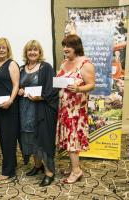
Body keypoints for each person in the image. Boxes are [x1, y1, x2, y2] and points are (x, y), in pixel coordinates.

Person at [18, 40, 58, 186]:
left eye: (35, 50)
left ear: (40, 52)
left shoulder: (46, 67)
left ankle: (49, 172)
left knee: (44, 140)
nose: (32, 52)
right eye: (30, 50)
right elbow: (18, 86)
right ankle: (37, 165)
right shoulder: (22, 69)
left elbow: (53, 88)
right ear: (26, 53)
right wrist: (20, 90)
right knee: (31, 138)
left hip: (41, 109)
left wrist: (40, 97)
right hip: (24, 110)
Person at [56, 34, 95, 184]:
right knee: (68, 139)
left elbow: (91, 85)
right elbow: (60, 81)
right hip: (64, 109)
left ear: (76, 47)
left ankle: (76, 171)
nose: (65, 49)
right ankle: (73, 166)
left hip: (76, 111)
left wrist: (78, 88)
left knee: (73, 139)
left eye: (68, 46)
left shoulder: (85, 64)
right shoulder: (64, 63)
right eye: (64, 46)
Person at [0, 38, 20, 180]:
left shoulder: (12, 64)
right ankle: (11, 164)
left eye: (4, 48)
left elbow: (16, 85)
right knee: (2, 139)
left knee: (9, 139)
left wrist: (10, 101)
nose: (1, 50)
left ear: (8, 50)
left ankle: (8, 171)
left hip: (9, 107)